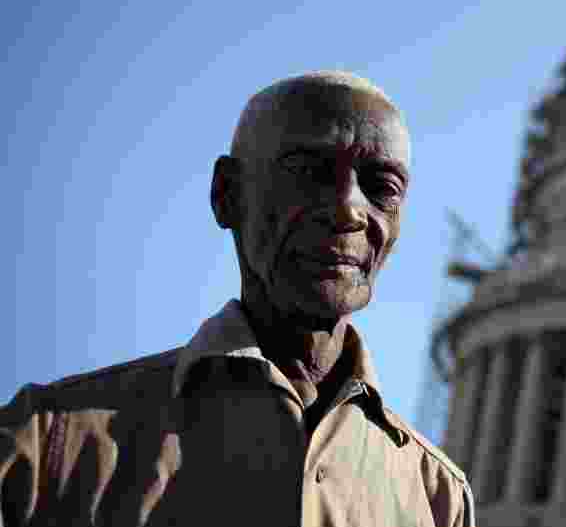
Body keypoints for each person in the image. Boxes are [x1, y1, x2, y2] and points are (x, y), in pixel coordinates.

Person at [0, 71, 475, 526]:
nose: (350, 208)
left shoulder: (435, 499)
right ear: (228, 194)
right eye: (310, 173)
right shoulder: (49, 445)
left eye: (382, 188)